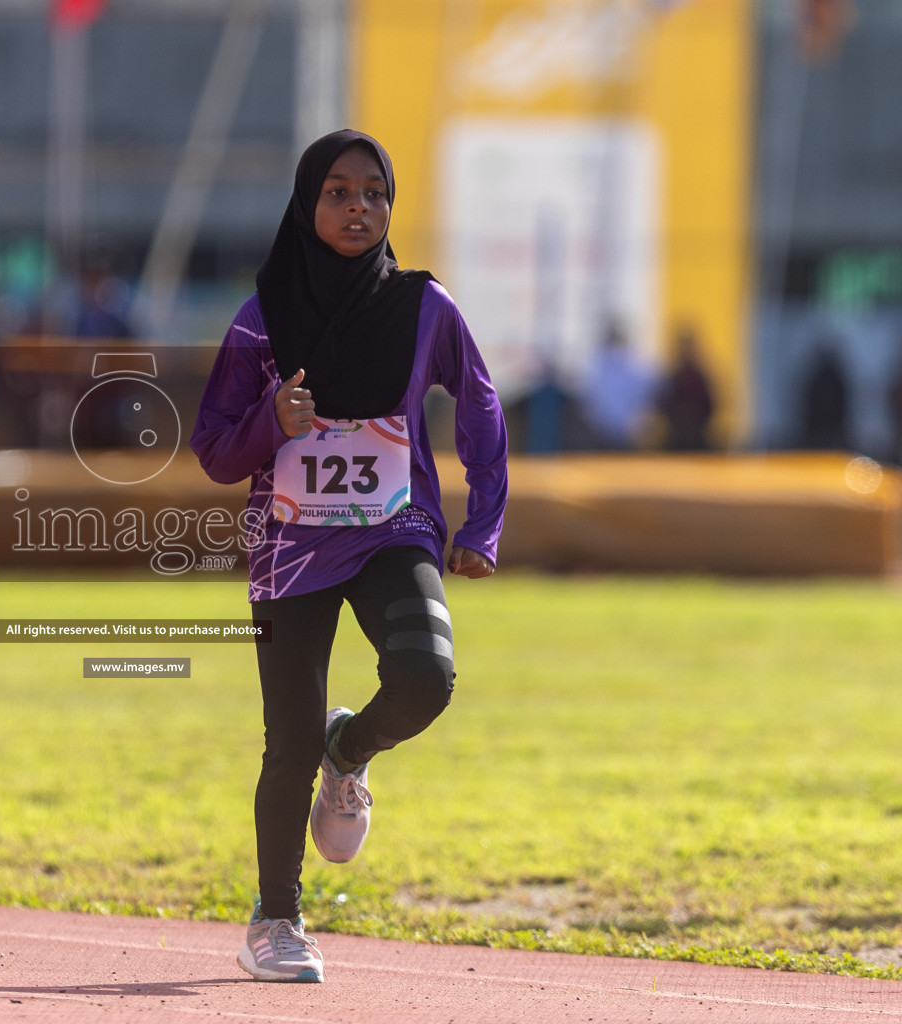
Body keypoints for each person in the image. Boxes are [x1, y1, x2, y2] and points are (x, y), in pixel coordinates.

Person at [192, 130, 507, 983]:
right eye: (337, 191)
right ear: (306, 203)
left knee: (426, 679)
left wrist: (482, 526)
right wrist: (272, 422)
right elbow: (216, 452)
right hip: (289, 549)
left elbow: (480, 406)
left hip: (390, 530)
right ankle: (277, 918)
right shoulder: (259, 321)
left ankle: (354, 752)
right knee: (288, 740)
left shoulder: (425, 307)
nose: (358, 207)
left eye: (374, 193)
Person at [581, 319, 654, 450]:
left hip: (611, 428)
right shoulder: (630, 362)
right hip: (620, 428)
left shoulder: (602, 363)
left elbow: (590, 396)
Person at [657, 324, 715, 451]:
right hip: (677, 435)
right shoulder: (673, 376)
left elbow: (710, 405)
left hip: (696, 436)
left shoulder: (699, 376)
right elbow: (664, 405)